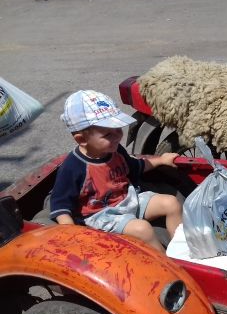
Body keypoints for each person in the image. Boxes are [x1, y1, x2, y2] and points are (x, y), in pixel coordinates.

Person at [49, 90, 182, 252]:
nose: (117, 137)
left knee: (171, 203)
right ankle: (168, 263)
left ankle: (181, 250)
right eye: (108, 134)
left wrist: (161, 160)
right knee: (142, 229)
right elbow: (60, 204)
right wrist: (72, 233)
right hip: (101, 216)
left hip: (128, 200)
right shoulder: (73, 166)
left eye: (118, 129)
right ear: (82, 139)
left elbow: (135, 166)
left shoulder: (115, 150)